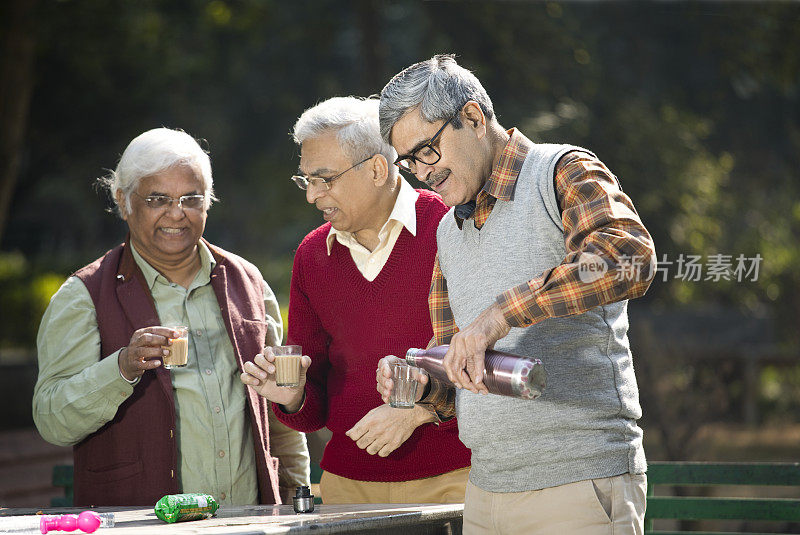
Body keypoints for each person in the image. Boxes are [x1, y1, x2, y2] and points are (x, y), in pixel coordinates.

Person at [375, 55, 657, 534]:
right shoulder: (447, 231)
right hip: (485, 492)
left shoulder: (561, 171)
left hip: (579, 483)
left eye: (427, 150)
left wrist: (503, 313)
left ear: (473, 117)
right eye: (408, 162)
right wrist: (424, 379)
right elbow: (457, 367)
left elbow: (627, 257)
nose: (421, 173)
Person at [33, 127, 309, 507]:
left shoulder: (249, 282)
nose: (176, 213)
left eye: (191, 198)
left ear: (208, 201)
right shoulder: (83, 296)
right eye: (157, 199)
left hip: (251, 521)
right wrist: (122, 367)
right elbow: (51, 419)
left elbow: (277, 413)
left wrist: (297, 497)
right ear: (124, 201)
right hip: (139, 525)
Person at [240, 96, 471, 504]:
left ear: (378, 169)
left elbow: (495, 355)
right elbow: (313, 410)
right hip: (347, 486)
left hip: (456, 477)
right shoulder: (312, 256)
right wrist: (291, 396)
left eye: (324, 179)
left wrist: (418, 412)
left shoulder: (450, 229)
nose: (312, 195)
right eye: (306, 180)